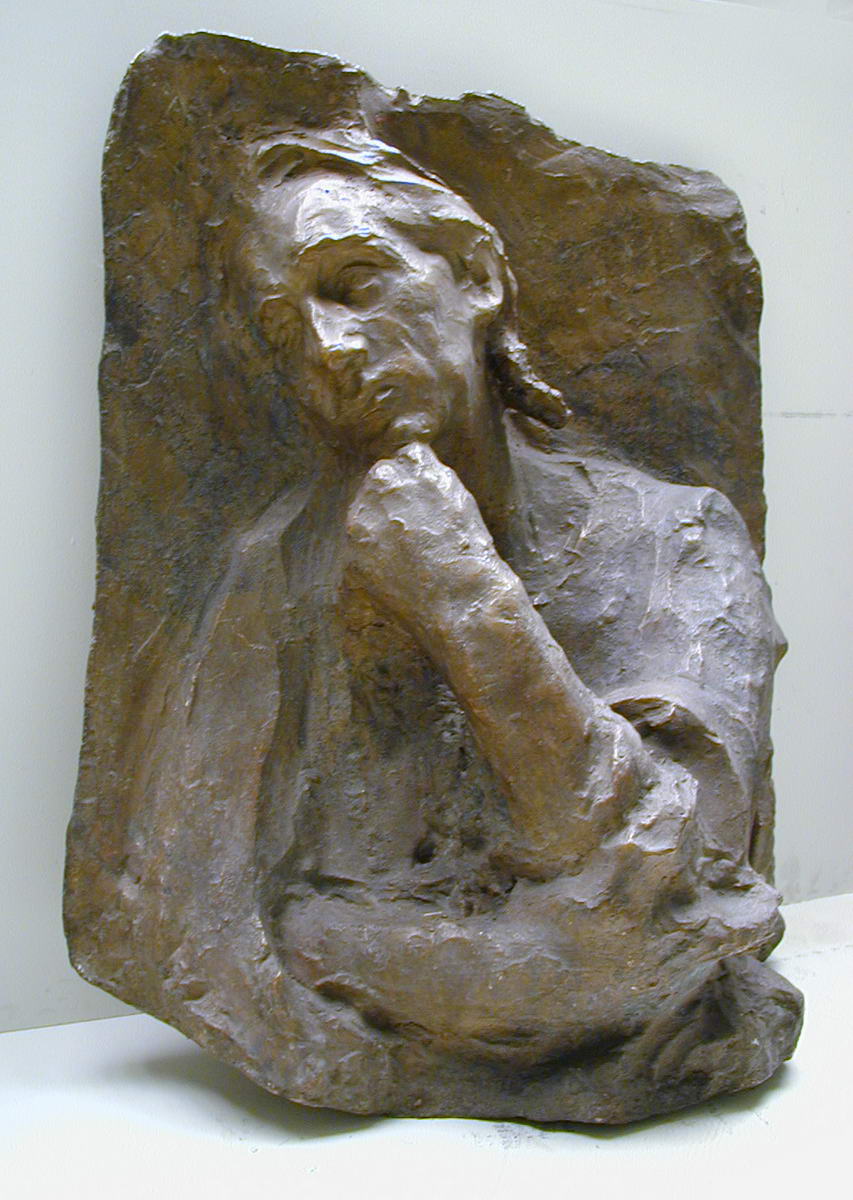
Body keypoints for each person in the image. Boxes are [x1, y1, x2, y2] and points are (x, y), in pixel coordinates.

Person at [103, 128, 800, 1115]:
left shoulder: (674, 539)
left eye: (354, 284)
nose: (326, 351)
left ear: (475, 275)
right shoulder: (274, 572)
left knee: (616, 945)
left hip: (614, 967)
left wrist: (464, 599)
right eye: (282, 329)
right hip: (560, 983)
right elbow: (188, 915)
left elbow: (680, 882)